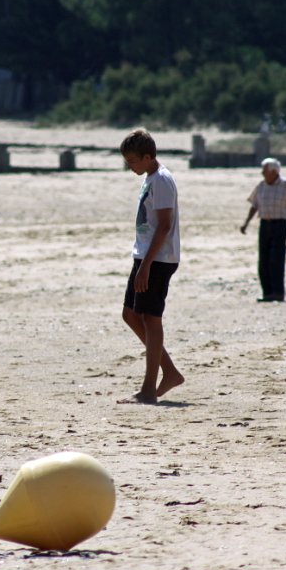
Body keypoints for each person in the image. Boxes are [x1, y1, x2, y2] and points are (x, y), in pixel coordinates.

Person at [116, 128, 183, 405]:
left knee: (150, 318)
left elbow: (165, 226)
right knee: (130, 314)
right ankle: (170, 372)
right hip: (145, 256)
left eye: (132, 161)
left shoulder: (162, 180)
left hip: (157, 259)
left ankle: (148, 389)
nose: (130, 166)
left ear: (147, 157)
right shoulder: (150, 178)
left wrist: (146, 266)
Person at [239, 157, 286, 302]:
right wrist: (246, 223)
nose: (262, 173)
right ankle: (267, 293)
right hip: (264, 225)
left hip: (281, 225)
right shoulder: (261, 186)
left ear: (274, 172)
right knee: (263, 260)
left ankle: (278, 293)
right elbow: (254, 206)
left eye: (265, 170)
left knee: (276, 259)